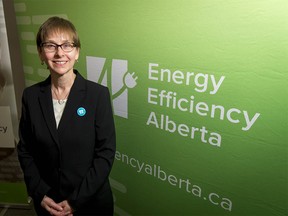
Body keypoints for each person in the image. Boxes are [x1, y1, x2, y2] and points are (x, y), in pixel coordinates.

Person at [17, 16, 116, 216]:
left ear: (77, 52)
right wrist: (40, 194)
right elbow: (26, 151)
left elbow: (105, 153)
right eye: (51, 45)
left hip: (90, 204)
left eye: (67, 45)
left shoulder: (98, 95)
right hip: (49, 204)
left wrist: (75, 201)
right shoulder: (31, 96)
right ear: (40, 53)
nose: (59, 52)